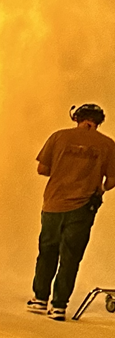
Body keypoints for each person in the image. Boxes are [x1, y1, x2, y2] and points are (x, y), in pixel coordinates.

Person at [27, 102, 115, 321]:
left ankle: (40, 299)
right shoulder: (108, 145)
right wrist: (96, 187)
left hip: (54, 203)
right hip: (84, 208)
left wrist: (64, 172)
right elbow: (112, 180)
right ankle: (59, 306)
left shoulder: (59, 137)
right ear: (98, 122)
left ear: (76, 118)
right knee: (71, 256)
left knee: (47, 250)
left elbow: (42, 168)